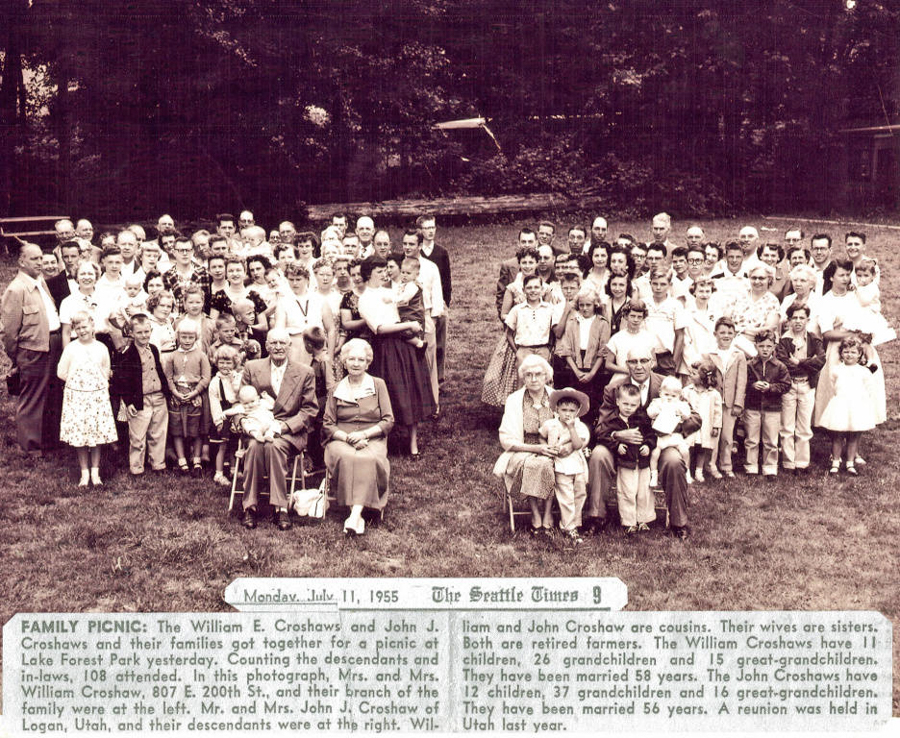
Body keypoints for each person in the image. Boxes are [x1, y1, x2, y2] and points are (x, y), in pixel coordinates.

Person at [587, 346, 700, 539]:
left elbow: (696, 418)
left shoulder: (668, 384)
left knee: (673, 461)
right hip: (621, 447)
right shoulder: (614, 388)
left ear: (653, 362)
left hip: (659, 444)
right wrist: (617, 435)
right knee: (598, 455)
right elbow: (600, 427)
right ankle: (597, 517)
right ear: (626, 364)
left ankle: (678, 522)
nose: (639, 366)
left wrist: (673, 426)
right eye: (633, 361)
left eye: (644, 361)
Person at [239, 328, 318, 530]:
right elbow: (241, 402)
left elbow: (309, 409)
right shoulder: (252, 367)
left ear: (289, 346)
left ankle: (280, 507)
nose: (278, 347)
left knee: (274, 446)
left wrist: (284, 426)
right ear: (266, 346)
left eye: (282, 343)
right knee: (256, 446)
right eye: (273, 343)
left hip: (288, 431)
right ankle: (250, 506)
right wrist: (247, 426)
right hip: (258, 426)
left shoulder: (304, 372)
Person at [357, 257, 433, 455]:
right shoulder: (365, 299)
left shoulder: (390, 291)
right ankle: (386, 441)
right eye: (379, 271)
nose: (385, 274)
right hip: (386, 348)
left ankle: (413, 444)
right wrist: (408, 326)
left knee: (410, 391)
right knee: (391, 395)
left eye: (385, 270)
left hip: (404, 345)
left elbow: (408, 302)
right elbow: (379, 328)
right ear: (368, 274)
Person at [322, 338, 394, 536]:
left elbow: (388, 420)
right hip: (341, 438)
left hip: (372, 436)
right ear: (344, 362)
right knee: (350, 456)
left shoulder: (378, 385)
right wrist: (347, 438)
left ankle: (354, 514)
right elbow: (328, 424)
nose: (355, 363)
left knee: (368, 458)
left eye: (360, 360)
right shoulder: (336, 389)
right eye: (351, 359)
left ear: (367, 363)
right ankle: (357, 515)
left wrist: (364, 434)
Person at [1, 243, 63, 454]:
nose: (40, 263)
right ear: (21, 262)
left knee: (52, 394)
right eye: (35, 259)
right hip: (33, 350)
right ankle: (30, 446)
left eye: (41, 258)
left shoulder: (41, 282)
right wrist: (18, 357)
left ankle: (49, 441)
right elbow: (9, 333)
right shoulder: (16, 290)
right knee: (33, 397)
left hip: (53, 344)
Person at [493, 354, 558, 534]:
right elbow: (506, 439)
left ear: (547, 376)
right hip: (523, 450)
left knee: (547, 462)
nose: (534, 379)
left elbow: (567, 426)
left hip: (552, 449)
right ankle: (537, 513)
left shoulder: (555, 397)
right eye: (529, 375)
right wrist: (535, 449)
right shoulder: (515, 400)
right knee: (535, 464)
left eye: (538, 374)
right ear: (523, 377)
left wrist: (554, 447)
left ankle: (548, 511)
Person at [56, 312, 117, 486]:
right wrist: (77, 383)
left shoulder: (101, 348)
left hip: (96, 396)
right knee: (80, 435)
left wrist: (97, 384)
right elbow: (61, 372)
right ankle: (84, 473)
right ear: (74, 330)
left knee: (95, 435)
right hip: (77, 397)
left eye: (85, 327)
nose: (82, 331)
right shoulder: (71, 348)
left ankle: (95, 473)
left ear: (92, 326)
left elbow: (106, 369)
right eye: (78, 328)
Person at [111, 313, 170, 477]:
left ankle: (158, 463)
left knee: (158, 432)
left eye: (146, 331)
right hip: (139, 399)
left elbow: (159, 371)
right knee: (138, 435)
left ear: (150, 330)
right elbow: (121, 382)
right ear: (131, 333)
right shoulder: (126, 354)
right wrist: (128, 402)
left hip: (158, 396)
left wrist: (166, 393)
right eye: (139, 332)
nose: (144, 335)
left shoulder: (154, 349)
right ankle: (136, 467)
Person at [596, 383, 656, 535]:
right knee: (627, 491)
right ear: (617, 402)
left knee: (644, 492)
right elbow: (603, 436)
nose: (629, 408)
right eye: (625, 404)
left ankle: (644, 519)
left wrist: (648, 446)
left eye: (633, 405)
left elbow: (651, 435)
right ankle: (629, 521)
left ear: (638, 404)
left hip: (643, 463)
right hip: (625, 463)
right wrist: (616, 445)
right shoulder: (613, 420)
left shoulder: (642, 419)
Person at [776, 304, 825, 475]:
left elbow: (820, 361)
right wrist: (807, 363)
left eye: (801, 318)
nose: (798, 321)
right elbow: (784, 364)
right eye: (794, 318)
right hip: (789, 386)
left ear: (807, 320)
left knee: (804, 426)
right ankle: (788, 463)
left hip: (807, 385)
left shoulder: (814, 339)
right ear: (788, 321)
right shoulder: (783, 341)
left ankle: (802, 463)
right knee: (787, 426)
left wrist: (800, 362)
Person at [819, 336, 879, 476]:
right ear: (841, 354)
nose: (849, 355)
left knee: (854, 436)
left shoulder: (864, 371)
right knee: (837, 435)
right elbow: (834, 386)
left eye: (853, 352)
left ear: (859, 354)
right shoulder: (836, 370)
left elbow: (868, 389)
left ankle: (850, 463)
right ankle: (835, 461)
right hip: (841, 405)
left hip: (857, 405)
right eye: (846, 352)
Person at [553, 284, 610, 429]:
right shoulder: (572, 322)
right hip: (574, 367)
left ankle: (590, 437)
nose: (585, 308)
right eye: (582, 305)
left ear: (595, 305)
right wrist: (577, 371)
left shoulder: (602, 323)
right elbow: (566, 349)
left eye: (588, 305)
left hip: (595, 367)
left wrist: (591, 373)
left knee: (593, 404)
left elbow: (603, 352)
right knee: (575, 403)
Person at [539, 388, 590, 543]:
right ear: (556, 409)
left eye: (572, 411)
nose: (567, 414)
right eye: (564, 410)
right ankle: (568, 527)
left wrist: (571, 427)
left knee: (579, 494)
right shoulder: (551, 424)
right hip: (561, 466)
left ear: (577, 412)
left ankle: (576, 522)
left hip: (577, 465)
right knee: (566, 496)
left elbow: (577, 444)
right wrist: (546, 449)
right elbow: (541, 436)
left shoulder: (579, 426)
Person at [162, 319, 211, 475]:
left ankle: (196, 460)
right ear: (178, 337)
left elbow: (206, 377)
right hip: (177, 395)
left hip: (195, 394)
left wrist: (195, 392)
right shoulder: (172, 356)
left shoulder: (201, 356)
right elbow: (168, 377)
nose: (187, 340)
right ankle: (182, 460)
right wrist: (175, 392)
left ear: (196, 337)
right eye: (184, 337)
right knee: (176, 428)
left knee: (196, 429)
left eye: (191, 337)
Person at [742, 331, 790, 478]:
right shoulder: (749, 365)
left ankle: (770, 468)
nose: (765, 349)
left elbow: (786, 385)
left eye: (768, 346)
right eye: (761, 346)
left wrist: (771, 388)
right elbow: (744, 383)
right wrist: (752, 385)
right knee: (751, 438)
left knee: (771, 439)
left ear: (774, 347)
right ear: (756, 346)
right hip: (752, 406)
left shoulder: (780, 366)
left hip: (773, 408)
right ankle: (751, 466)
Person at [703, 317, 747, 479]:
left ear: (734, 334)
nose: (726, 335)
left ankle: (726, 464)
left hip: (730, 403)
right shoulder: (710, 354)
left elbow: (741, 382)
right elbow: (706, 376)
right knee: (713, 433)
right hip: (714, 402)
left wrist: (738, 403)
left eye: (729, 332)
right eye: (722, 332)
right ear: (715, 334)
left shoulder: (739, 355)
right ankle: (710, 464)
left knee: (727, 436)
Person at [646, 375, 693, 488]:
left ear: (679, 396)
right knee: (654, 453)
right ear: (660, 392)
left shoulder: (680, 404)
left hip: (674, 436)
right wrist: (656, 411)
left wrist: (681, 412)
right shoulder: (657, 403)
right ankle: (654, 474)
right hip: (660, 436)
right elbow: (649, 412)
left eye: (673, 396)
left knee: (685, 451)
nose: (669, 398)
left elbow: (688, 414)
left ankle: (687, 471)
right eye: (666, 394)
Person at [682, 359, 723, 482]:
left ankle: (699, 471)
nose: (690, 375)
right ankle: (686, 470)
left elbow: (717, 412)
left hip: (705, 427)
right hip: (690, 426)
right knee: (688, 447)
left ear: (703, 377)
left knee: (702, 449)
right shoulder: (687, 391)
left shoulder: (714, 394)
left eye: (693, 374)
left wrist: (716, 426)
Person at [208, 344, 243, 486]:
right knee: (223, 445)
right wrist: (218, 421)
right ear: (216, 363)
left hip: (236, 411)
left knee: (235, 443)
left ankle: (234, 469)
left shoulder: (238, 377)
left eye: (228, 362)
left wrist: (235, 382)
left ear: (235, 363)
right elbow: (214, 403)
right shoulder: (215, 382)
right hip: (223, 414)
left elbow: (242, 395)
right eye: (221, 362)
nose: (225, 366)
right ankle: (219, 473)